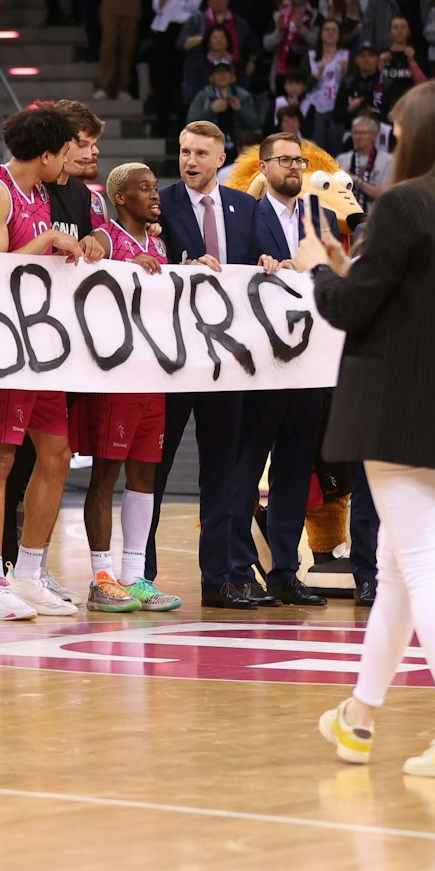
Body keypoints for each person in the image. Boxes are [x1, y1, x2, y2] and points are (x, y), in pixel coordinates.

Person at [298, 80, 435, 778]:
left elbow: (352, 308)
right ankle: (357, 719)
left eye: (396, 130)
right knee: (395, 571)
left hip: (395, 412)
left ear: (416, 136)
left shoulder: (404, 205)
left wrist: (317, 273)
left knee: (419, 568)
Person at [0, 105, 91, 619]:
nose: (72, 162)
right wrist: (47, 241)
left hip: (43, 344)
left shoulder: (43, 193)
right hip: (1, 345)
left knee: (56, 455)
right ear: (46, 154)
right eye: (66, 152)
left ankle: (31, 573)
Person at [240, 132, 343, 606]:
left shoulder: (321, 218)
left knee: (297, 468)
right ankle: (239, 569)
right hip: (261, 362)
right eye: (283, 160)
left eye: (299, 160)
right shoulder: (245, 214)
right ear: (262, 167)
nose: (294, 168)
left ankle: (285, 571)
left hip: (310, 362)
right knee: (247, 470)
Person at [148, 119, 248, 605]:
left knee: (223, 474)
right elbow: (138, 261)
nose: (190, 160)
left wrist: (278, 265)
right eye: (185, 151)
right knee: (154, 469)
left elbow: (263, 268)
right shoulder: (156, 202)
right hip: (170, 358)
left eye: (201, 154)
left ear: (220, 159)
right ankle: (139, 574)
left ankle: (221, 578)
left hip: (226, 363)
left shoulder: (245, 208)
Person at [75, 161, 180, 614]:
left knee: (144, 475)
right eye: (144, 189)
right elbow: (82, 267)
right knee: (106, 474)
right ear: (121, 197)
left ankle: (135, 575)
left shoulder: (160, 242)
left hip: (152, 375)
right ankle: (101, 577)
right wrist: (120, 266)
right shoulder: (105, 237)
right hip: (113, 377)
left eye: (156, 188)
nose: (155, 195)